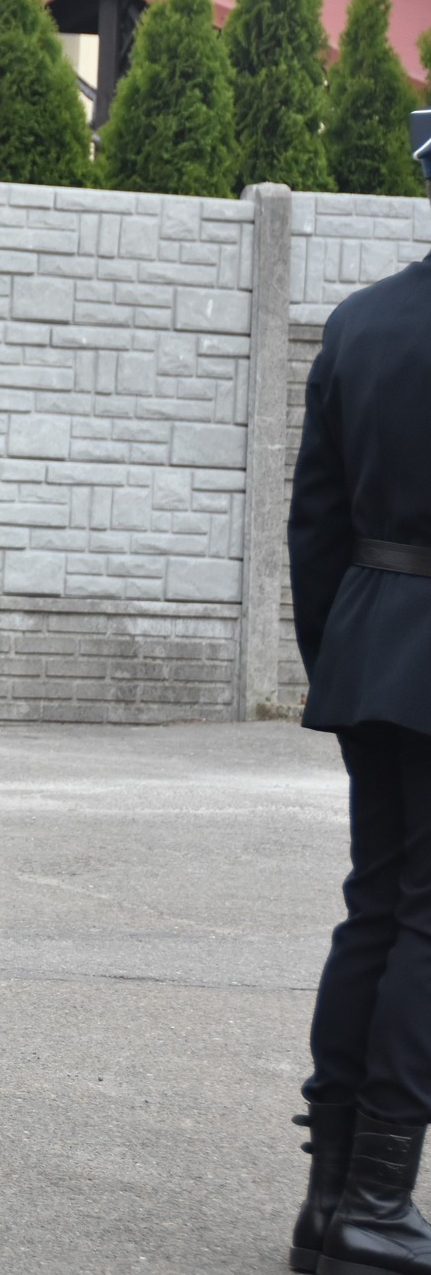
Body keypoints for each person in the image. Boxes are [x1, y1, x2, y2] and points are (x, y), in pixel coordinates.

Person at [283, 109, 431, 1275]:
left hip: (370, 644)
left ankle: (330, 1201)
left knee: (375, 906)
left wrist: (333, 652)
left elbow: (313, 524)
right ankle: (374, 1202)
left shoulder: (360, 320)